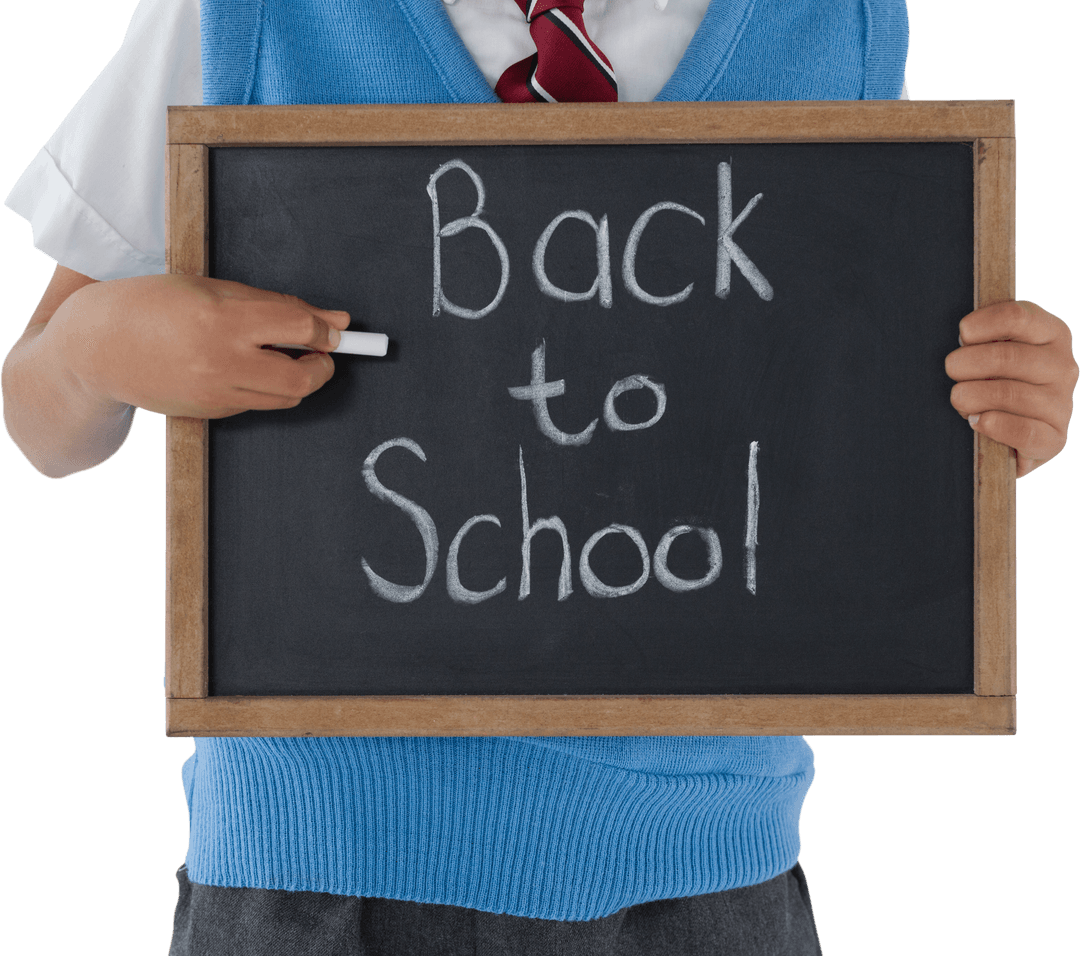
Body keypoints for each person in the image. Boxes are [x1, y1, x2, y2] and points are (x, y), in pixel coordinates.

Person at [2, 1, 1075, 953]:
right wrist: (99, 346)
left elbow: (852, 419)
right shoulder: (244, 15)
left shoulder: (831, 25)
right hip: (312, 875)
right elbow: (39, 416)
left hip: (711, 882)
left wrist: (995, 415)